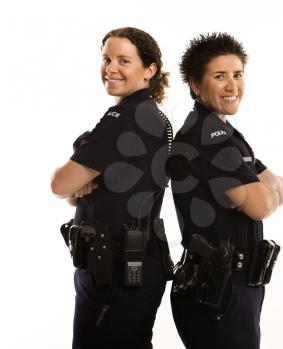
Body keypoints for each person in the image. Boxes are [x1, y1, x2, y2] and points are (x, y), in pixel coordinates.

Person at [51, 27, 173, 349]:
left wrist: (78, 169)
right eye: (106, 58)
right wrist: (83, 183)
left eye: (124, 60)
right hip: (129, 267)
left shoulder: (124, 118)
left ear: (149, 70)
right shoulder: (148, 116)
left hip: (117, 273)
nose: (111, 68)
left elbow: (59, 183)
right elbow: (79, 191)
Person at [169, 32, 283, 349]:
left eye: (237, 74)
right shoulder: (208, 138)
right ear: (196, 84)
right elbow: (262, 204)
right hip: (217, 290)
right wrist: (263, 191)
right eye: (219, 76)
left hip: (235, 285)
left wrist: (263, 191)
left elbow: (280, 188)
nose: (232, 86)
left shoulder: (226, 135)